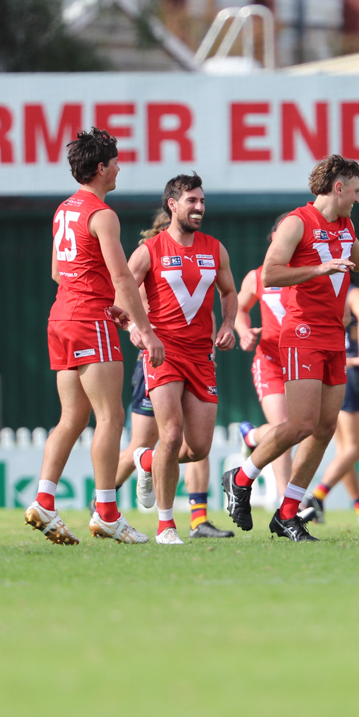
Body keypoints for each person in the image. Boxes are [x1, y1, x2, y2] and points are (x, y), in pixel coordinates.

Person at [221, 154, 359, 541]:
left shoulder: (345, 225)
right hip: (303, 333)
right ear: (338, 187)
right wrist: (319, 268)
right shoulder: (297, 222)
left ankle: (287, 513)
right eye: (356, 191)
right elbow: (271, 272)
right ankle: (241, 478)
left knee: (326, 427)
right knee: (301, 424)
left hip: (334, 336)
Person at [26, 128, 162, 546]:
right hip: (89, 321)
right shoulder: (102, 213)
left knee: (72, 418)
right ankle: (106, 513)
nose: (121, 167)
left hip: (61, 316)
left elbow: (55, 272)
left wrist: (108, 304)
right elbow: (122, 276)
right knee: (111, 418)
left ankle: (45, 500)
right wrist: (145, 329)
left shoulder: (64, 209)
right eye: (117, 161)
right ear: (101, 167)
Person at [120, 174, 238, 544]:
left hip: (202, 355)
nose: (200, 207)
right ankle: (166, 525)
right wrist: (137, 330)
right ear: (172, 204)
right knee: (169, 434)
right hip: (162, 354)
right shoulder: (149, 250)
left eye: (202, 201)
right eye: (192, 200)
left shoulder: (214, 248)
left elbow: (229, 290)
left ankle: (147, 463)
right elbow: (124, 292)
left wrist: (231, 324)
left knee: (197, 447)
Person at [298, 281, 359, 525]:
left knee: (344, 451)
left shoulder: (322, 292)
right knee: (355, 449)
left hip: (329, 368)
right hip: (350, 369)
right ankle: (317, 496)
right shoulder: (356, 292)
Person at [233, 218, 297, 504]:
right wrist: (243, 331)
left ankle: (252, 437)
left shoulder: (309, 274)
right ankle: (287, 502)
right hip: (270, 361)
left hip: (302, 363)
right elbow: (238, 309)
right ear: (273, 238)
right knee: (285, 427)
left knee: (306, 427)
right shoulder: (257, 277)